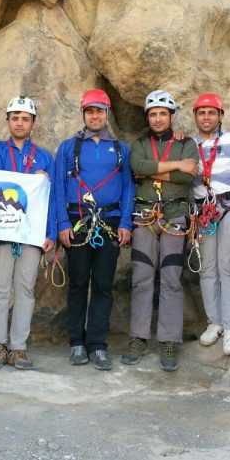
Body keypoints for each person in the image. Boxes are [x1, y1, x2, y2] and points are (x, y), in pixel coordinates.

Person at [54, 89, 135, 371]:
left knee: (103, 284)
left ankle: (97, 344)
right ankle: (77, 342)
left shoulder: (121, 149)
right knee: (78, 283)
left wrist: (125, 222)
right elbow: (58, 186)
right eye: (90, 111)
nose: (95, 116)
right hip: (78, 220)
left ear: (107, 113)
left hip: (109, 221)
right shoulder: (68, 147)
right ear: (83, 114)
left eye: (99, 111)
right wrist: (62, 223)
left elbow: (128, 187)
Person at [125, 90, 198, 371]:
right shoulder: (140, 144)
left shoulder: (186, 144)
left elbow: (187, 177)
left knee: (171, 278)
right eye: (153, 114)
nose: (157, 119)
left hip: (174, 215)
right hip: (145, 216)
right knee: (141, 277)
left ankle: (169, 340)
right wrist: (177, 165)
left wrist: (150, 172)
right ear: (147, 117)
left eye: (162, 114)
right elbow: (136, 165)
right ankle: (138, 337)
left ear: (171, 116)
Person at [0, 96, 56, 371]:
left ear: (33, 124)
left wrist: (51, 232)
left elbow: (52, 198)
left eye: (25, 119)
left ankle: (18, 348)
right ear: (7, 121)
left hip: (31, 232)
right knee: (0, 287)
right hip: (1, 229)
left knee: (25, 289)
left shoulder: (45, 157)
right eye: (15, 118)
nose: (20, 123)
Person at [191, 94, 230, 356]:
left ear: (220, 116)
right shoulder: (189, 145)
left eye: (211, 112)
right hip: (203, 211)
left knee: (228, 266)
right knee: (207, 269)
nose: (206, 117)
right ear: (195, 116)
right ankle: (214, 322)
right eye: (201, 112)